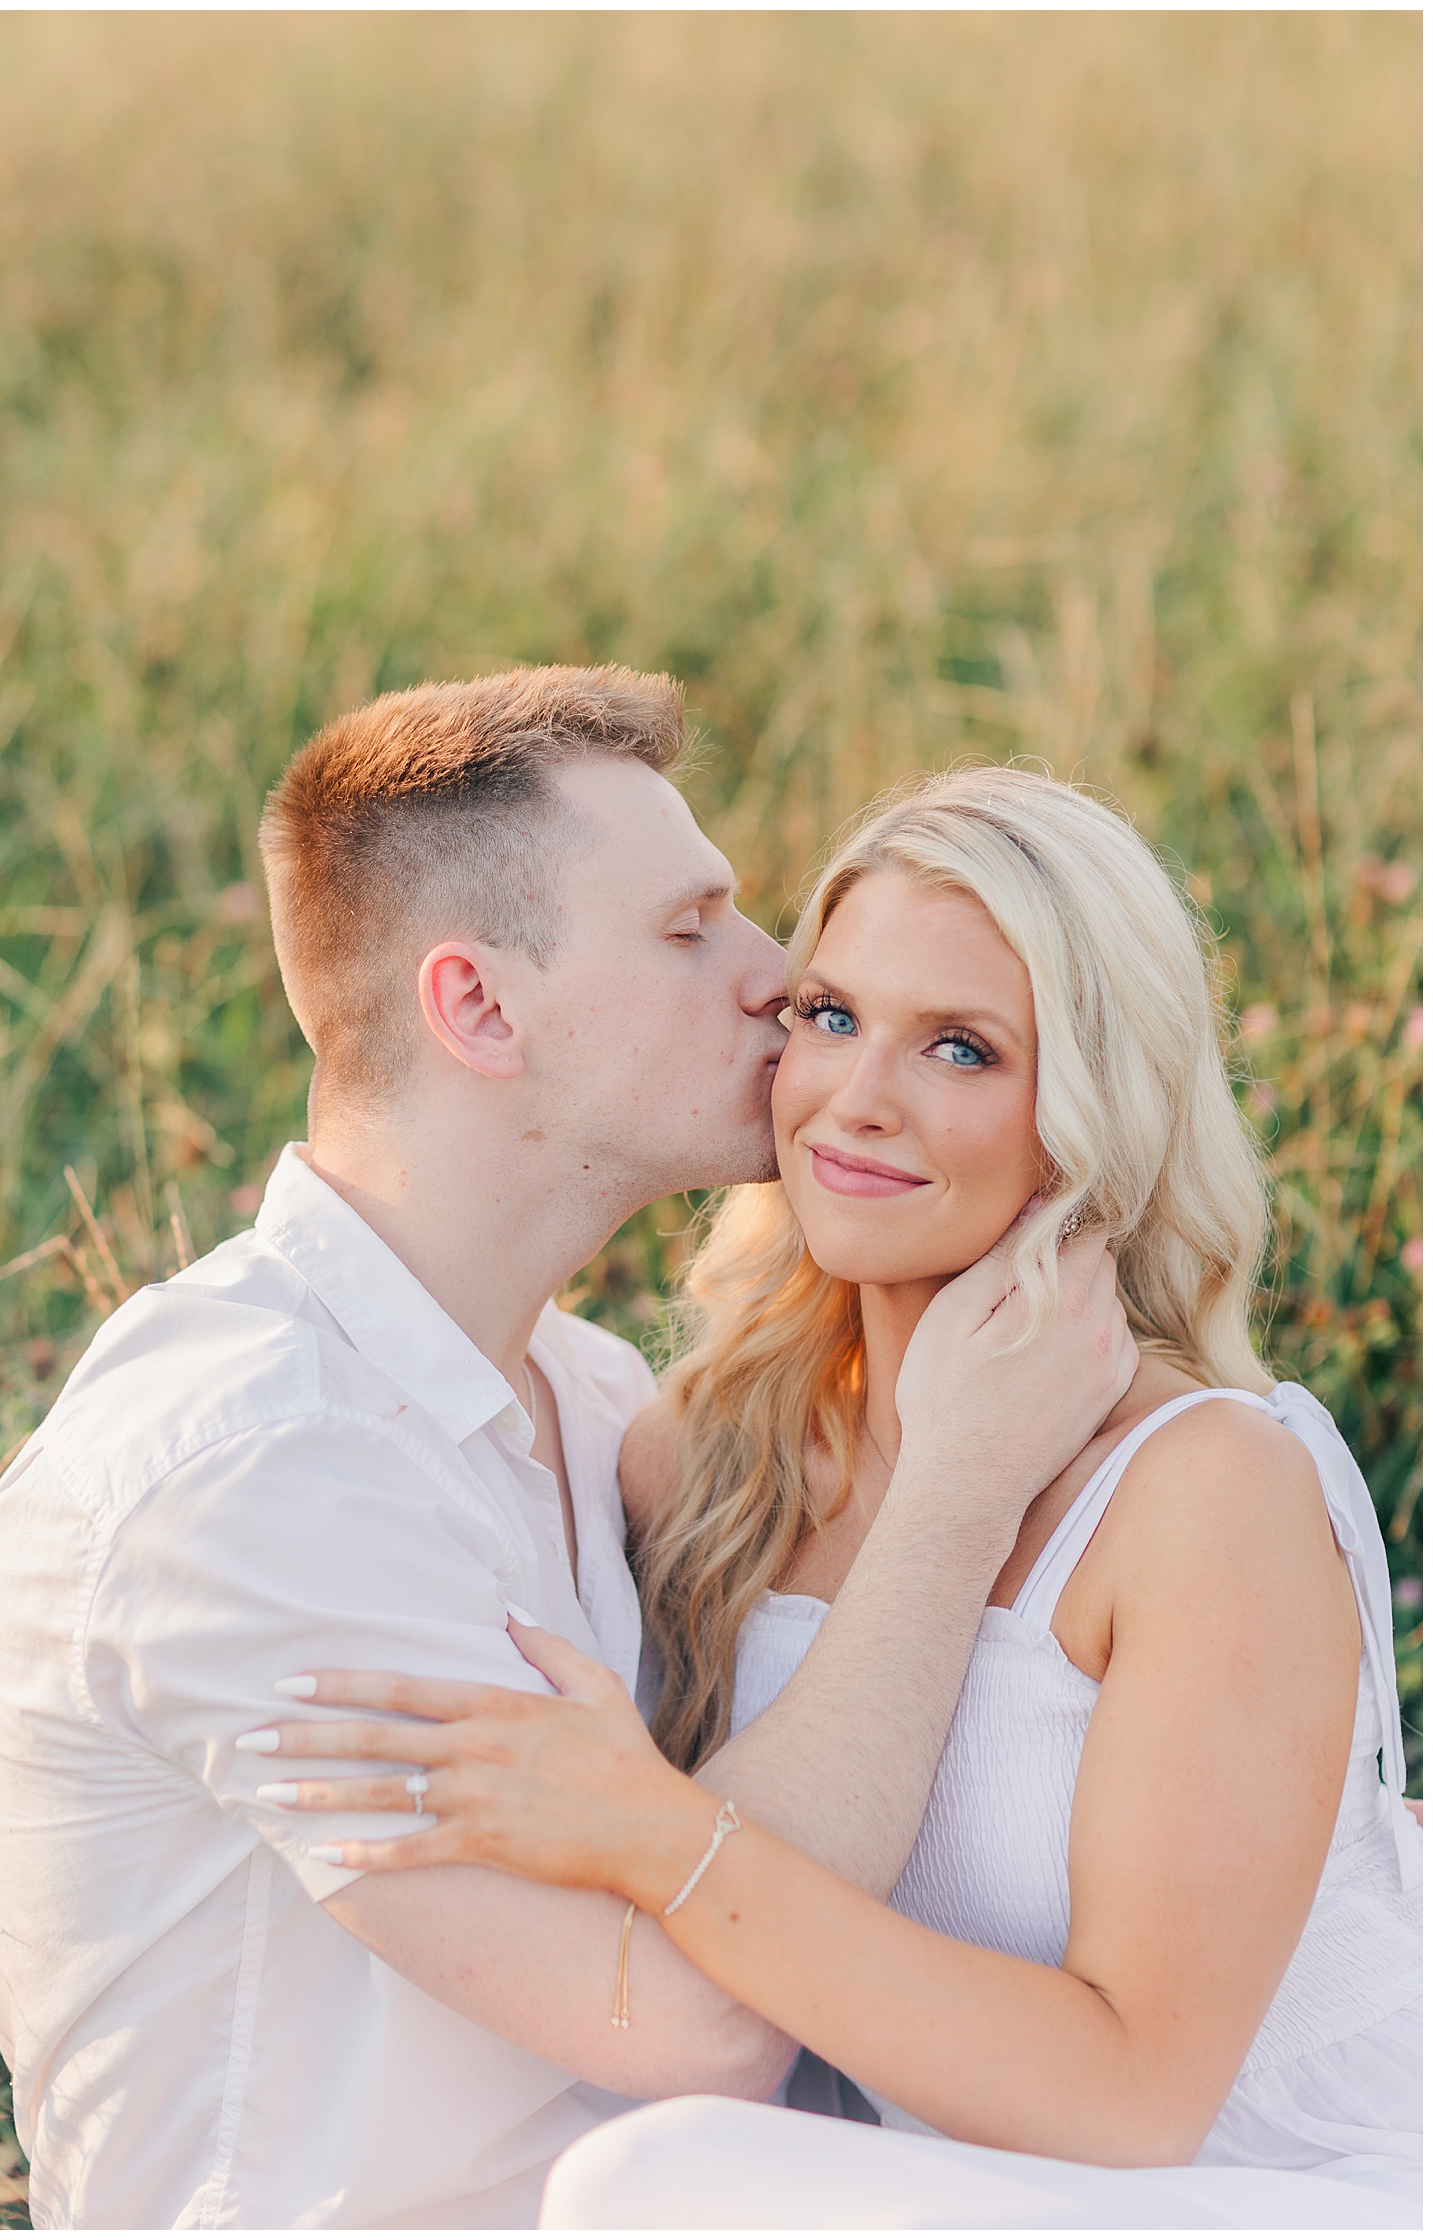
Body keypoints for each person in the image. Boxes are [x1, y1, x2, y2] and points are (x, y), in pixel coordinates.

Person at [0, 674, 1137, 2229]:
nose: (776, 979)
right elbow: (707, 2025)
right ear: (479, 1007)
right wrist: (957, 1493)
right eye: (690, 926)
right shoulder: (245, 1474)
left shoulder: (578, 1402)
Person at [259, 769, 1421, 2228]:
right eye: (828, 1017)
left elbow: (1138, 2104)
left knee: (650, 2183)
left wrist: (659, 1837)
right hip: (950, 2184)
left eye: (961, 1049)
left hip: (1281, 2181)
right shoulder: (699, 1458)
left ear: (1089, 1113)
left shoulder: (1203, 1491)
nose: (856, 1104)